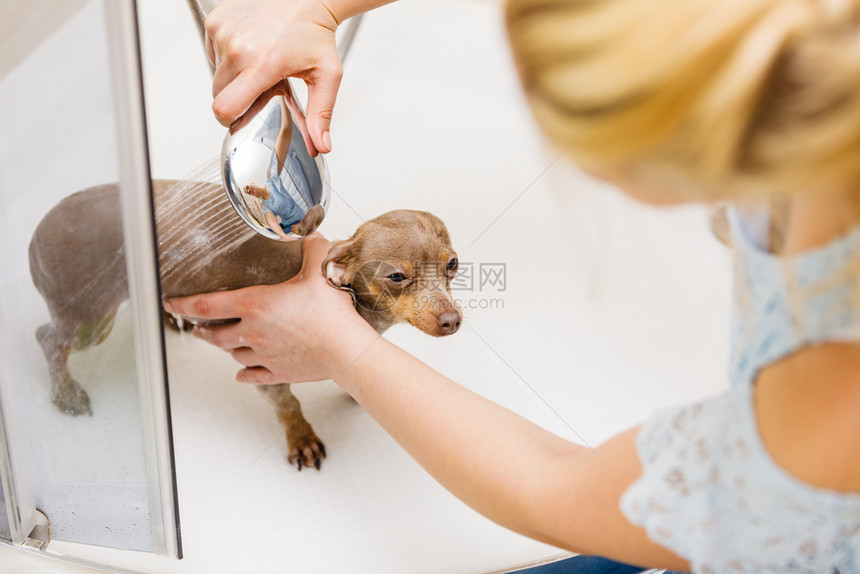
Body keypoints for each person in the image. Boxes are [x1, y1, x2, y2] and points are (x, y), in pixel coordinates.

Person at [169, 0, 860, 571]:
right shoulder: (822, 58)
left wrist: (341, 348)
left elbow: (556, 490)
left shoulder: (827, 410)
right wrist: (321, 7)